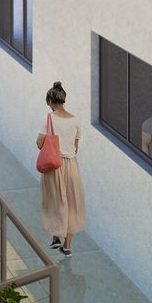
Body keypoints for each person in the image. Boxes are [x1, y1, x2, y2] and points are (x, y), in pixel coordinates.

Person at [37, 82, 85, 255]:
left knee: (55, 201)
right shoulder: (76, 119)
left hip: (54, 166)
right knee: (72, 204)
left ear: (50, 101)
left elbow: (39, 143)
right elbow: (75, 146)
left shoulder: (48, 119)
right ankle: (67, 246)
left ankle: (55, 236)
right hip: (72, 166)